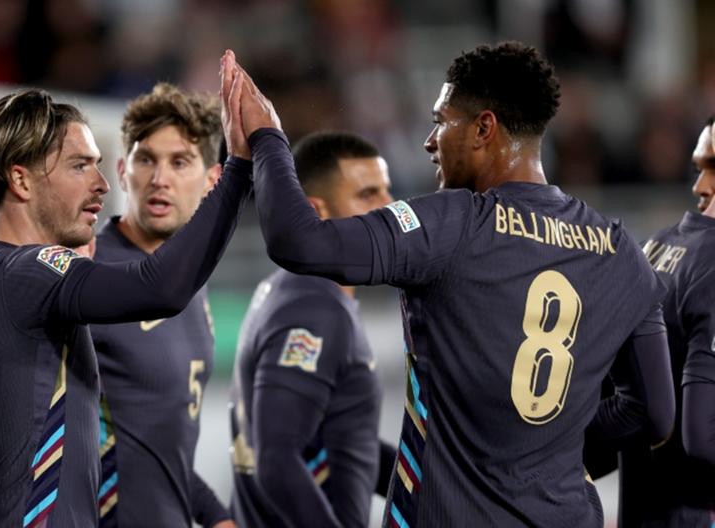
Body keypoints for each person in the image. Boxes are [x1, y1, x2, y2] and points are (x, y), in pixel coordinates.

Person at [219, 43, 675, 527]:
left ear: (483, 128)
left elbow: (301, 242)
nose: (429, 141)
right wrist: (550, 451)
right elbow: (654, 414)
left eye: (441, 121)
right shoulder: (620, 250)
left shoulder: (451, 224)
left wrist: (268, 137)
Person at [0, 87, 252, 526]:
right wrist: (240, 168)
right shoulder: (30, 272)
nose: (101, 184)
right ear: (21, 180)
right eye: (79, 166)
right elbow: (161, 289)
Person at [228, 131, 396, 527]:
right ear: (317, 211)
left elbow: (347, 438)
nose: (389, 207)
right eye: (368, 195)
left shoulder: (303, 291)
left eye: (387, 190)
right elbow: (276, 460)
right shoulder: (314, 308)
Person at [89, 83, 233, 528]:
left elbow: (159, 452)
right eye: (146, 159)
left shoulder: (189, 284)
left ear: (212, 180)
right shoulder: (89, 275)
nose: (159, 178)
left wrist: (217, 517)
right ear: (122, 171)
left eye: (180, 162)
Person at [605, 117, 715, 527]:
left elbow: (609, 414)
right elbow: (703, 439)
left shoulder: (653, 248)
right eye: (701, 168)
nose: (699, 185)